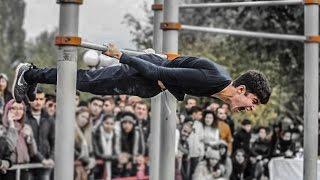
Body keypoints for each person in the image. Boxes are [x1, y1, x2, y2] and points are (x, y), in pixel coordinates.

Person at [13, 43, 271, 113]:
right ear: (241, 89)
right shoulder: (214, 80)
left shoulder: (218, 88)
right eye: (253, 101)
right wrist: (121, 55)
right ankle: (29, 72)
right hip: (143, 73)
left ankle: (34, 76)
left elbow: (177, 79)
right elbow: (159, 72)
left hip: (148, 79)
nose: (250, 108)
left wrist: (172, 86)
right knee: (85, 82)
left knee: (89, 82)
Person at [25, 89, 55, 180]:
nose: (38, 102)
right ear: (29, 100)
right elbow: (28, 141)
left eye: (41, 99)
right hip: (28, 163)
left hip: (45, 163)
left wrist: (51, 158)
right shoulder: (24, 117)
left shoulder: (49, 118)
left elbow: (54, 140)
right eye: (35, 99)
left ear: (44, 100)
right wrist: (42, 160)